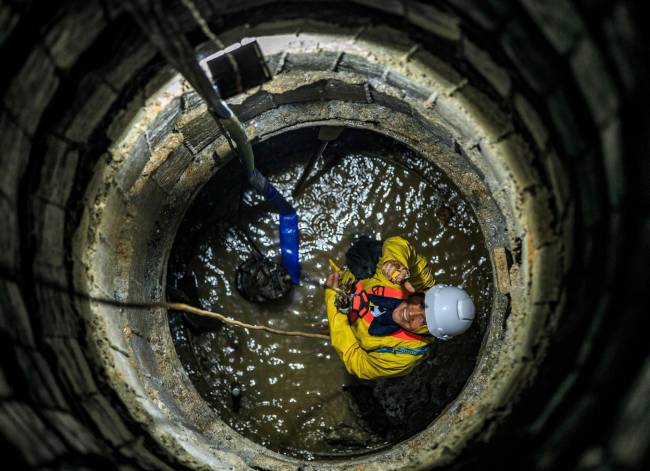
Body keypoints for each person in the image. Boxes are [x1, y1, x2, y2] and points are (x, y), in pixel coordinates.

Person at [324, 236, 476, 380]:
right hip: (360, 281)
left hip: (348, 323)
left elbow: (356, 362)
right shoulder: (420, 281)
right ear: (424, 293)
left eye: (423, 321)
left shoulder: (403, 358)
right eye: (422, 304)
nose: (411, 313)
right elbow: (399, 243)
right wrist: (394, 263)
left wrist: (333, 298)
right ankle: (359, 241)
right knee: (363, 255)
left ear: (432, 331)